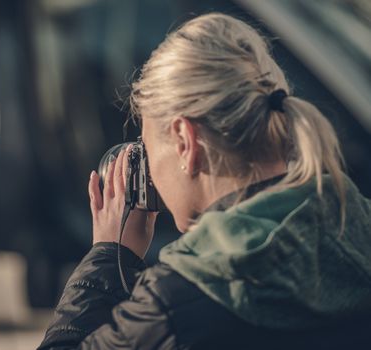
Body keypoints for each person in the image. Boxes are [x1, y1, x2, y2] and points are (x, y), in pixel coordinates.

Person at [38, 13, 371, 349]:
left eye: (150, 148)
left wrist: (107, 259)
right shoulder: (358, 232)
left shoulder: (176, 303)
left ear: (185, 141)